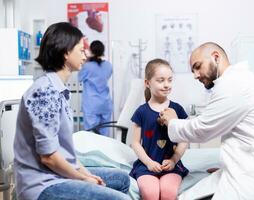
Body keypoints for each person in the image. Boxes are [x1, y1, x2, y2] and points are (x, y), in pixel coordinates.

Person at [160, 42, 254, 199]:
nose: (195, 75)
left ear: (216, 57)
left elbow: (202, 129)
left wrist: (172, 121)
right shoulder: (240, 80)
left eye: (198, 66)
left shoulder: (233, 84)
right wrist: (227, 167)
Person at [13, 22, 130, 200]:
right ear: (66, 52)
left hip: (58, 174)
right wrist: (83, 178)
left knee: (122, 179)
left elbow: (66, 153)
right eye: (81, 50)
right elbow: (49, 158)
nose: (85, 55)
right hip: (42, 183)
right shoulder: (44, 92)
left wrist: (85, 174)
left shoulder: (59, 90)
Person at [129, 58, 189, 200]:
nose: (166, 85)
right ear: (147, 83)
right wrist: (149, 163)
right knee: (151, 193)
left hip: (171, 165)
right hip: (146, 165)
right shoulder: (141, 112)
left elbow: (184, 140)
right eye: (161, 80)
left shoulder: (177, 109)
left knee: (168, 192)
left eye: (169, 80)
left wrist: (174, 160)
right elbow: (135, 143)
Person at [78, 40, 113, 136]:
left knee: (91, 134)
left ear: (91, 50)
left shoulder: (88, 66)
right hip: (105, 103)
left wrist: (86, 61)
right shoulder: (108, 65)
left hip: (91, 104)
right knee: (105, 134)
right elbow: (107, 76)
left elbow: (79, 78)